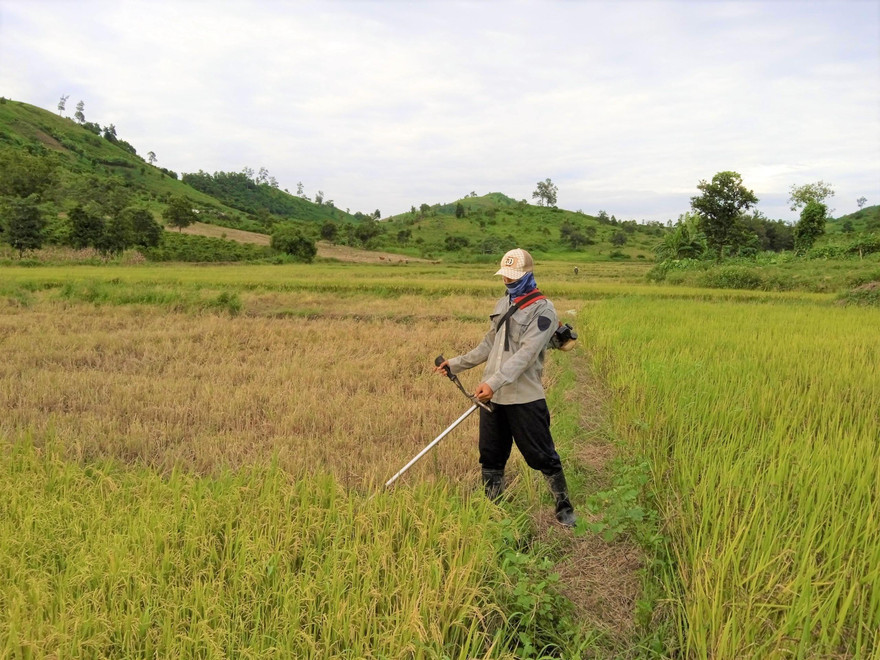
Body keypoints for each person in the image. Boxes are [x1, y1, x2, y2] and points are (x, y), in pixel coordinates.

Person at [434, 248, 576, 527]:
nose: (508, 281)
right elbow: (489, 345)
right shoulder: (503, 304)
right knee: (491, 454)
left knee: (542, 455)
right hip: (492, 398)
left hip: (524, 398)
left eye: (513, 277)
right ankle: (493, 505)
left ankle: (563, 504)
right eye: (505, 277)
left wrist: (492, 382)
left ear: (527, 274)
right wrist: (457, 364)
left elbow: (525, 355)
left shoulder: (543, 309)